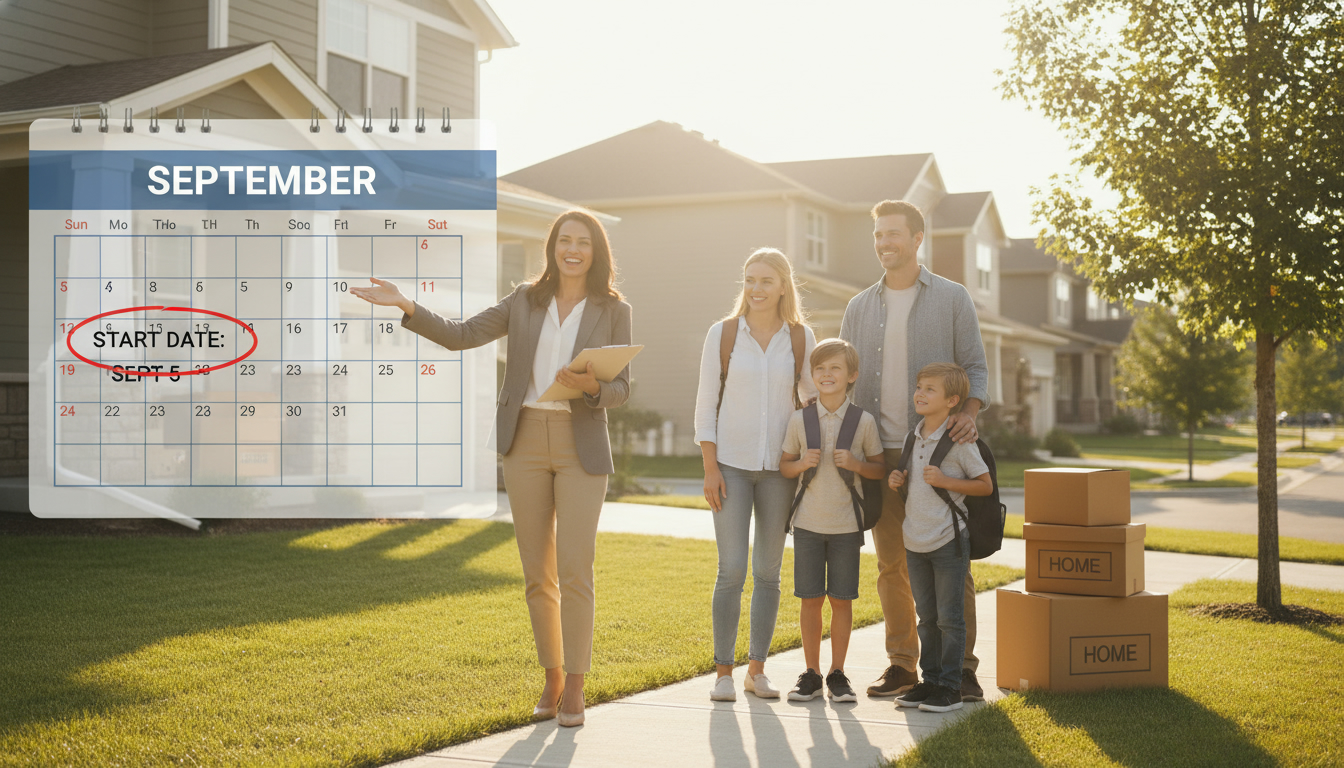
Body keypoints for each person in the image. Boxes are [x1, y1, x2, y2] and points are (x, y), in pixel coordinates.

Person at [350, 210, 631, 728]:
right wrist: (406, 304)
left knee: (575, 570)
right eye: (564, 240)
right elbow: (461, 335)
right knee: (536, 573)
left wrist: (591, 386)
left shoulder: (612, 308)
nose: (572, 250)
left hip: (580, 445)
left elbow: (621, 389)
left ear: (596, 252)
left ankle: (576, 684)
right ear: (553, 247)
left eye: (583, 243)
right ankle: (551, 673)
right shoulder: (525, 300)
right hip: (523, 440)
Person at [839, 200, 990, 701]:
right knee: (892, 564)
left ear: (917, 237)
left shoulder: (951, 298)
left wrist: (966, 414)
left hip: (937, 455)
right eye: (878, 235)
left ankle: (960, 669)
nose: (885, 243)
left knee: (951, 563)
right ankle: (903, 664)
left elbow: (976, 368)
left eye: (894, 234)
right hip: (881, 456)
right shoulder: (859, 306)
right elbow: (843, 378)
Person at [693, 247, 816, 701]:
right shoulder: (723, 335)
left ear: (783, 285)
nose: (756, 289)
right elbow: (706, 404)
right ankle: (723, 673)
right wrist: (710, 467)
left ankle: (756, 670)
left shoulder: (800, 338)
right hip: (730, 467)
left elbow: (811, 401)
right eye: (749, 280)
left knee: (768, 572)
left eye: (766, 281)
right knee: (731, 571)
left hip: (780, 472)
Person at [779, 338, 885, 702]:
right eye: (820, 368)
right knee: (810, 599)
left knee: (841, 600)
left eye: (835, 368)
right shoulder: (800, 418)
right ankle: (810, 672)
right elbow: (784, 465)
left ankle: (837, 673)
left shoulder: (863, 421)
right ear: (812, 374)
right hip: (807, 524)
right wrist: (800, 465)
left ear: (852, 375)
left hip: (846, 525)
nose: (827, 374)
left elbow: (878, 468)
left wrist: (856, 465)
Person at [888, 363, 992, 712]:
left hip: (948, 539)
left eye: (930, 389)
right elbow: (914, 480)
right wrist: (898, 480)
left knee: (950, 618)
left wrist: (946, 480)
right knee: (927, 618)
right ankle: (929, 681)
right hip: (915, 540)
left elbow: (984, 485)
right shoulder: (912, 436)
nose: (920, 393)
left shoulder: (959, 440)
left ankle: (950, 686)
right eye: (919, 386)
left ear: (952, 401)